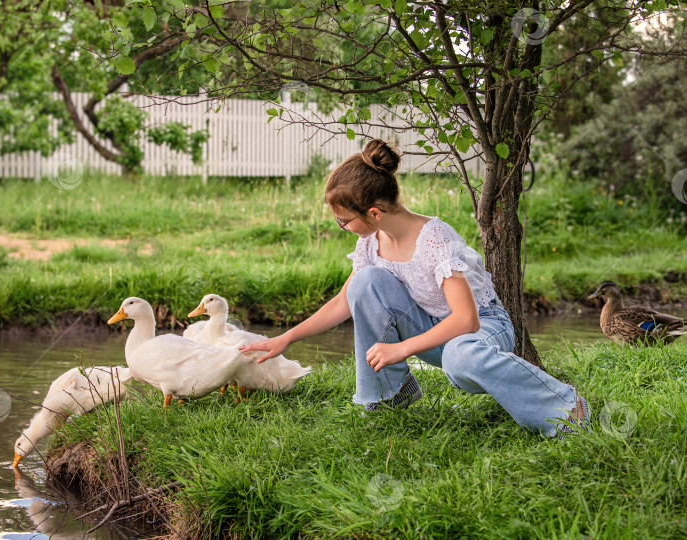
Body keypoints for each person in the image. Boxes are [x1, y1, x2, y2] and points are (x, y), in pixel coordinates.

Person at [239, 138, 591, 437]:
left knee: (459, 356)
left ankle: (565, 408)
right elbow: (345, 300)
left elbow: (466, 321)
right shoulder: (372, 242)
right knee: (365, 282)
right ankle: (389, 396)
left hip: (483, 327)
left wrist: (401, 348)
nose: (341, 227)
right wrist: (285, 338)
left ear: (375, 213)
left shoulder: (435, 239)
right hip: (435, 327)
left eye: (344, 220)